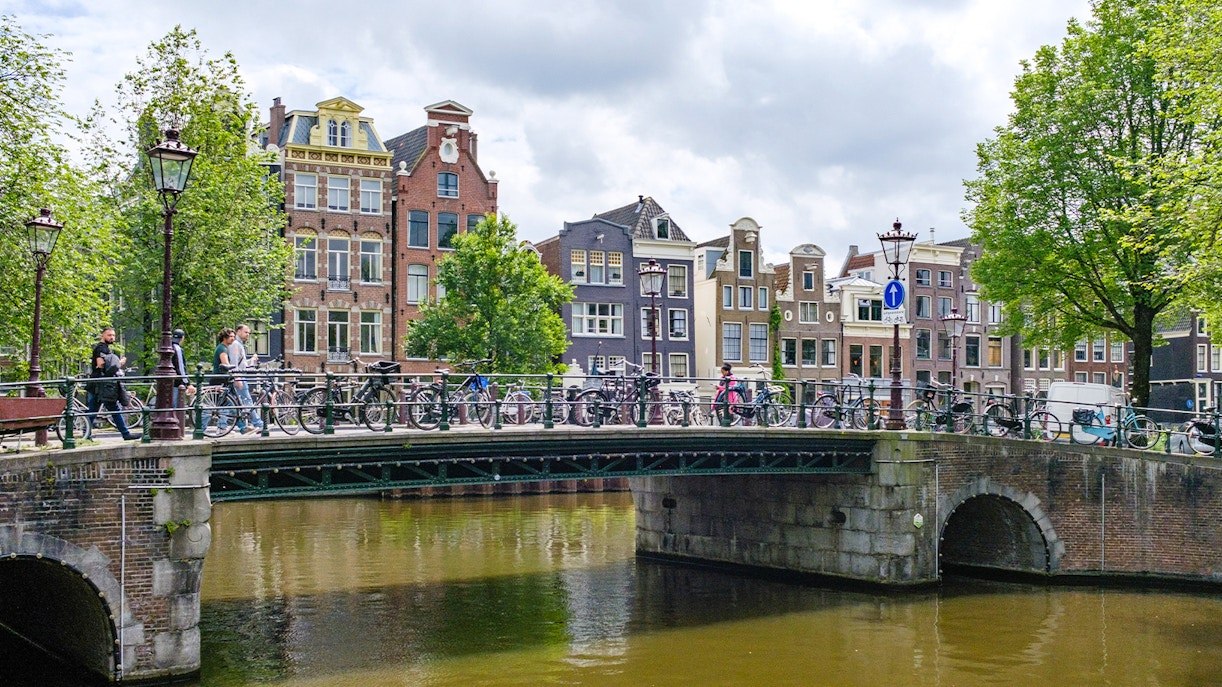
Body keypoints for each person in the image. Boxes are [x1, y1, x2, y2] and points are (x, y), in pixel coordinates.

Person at [88, 326, 138, 440]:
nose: (112, 337)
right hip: (102, 384)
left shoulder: (103, 348)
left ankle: (86, 434)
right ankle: (125, 434)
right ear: (103, 335)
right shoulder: (101, 348)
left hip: (99, 383)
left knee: (94, 409)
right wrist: (118, 364)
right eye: (109, 335)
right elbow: (100, 365)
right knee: (113, 408)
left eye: (113, 335)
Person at [228, 324, 263, 433]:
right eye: (246, 332)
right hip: (238, 376)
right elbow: (233, 363)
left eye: (248, 333)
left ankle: (242, 427)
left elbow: (241, 363)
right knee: (247, 399)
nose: (248, 334)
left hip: (237, 375)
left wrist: (251, 360)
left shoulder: (239, 344)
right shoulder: (235, 345)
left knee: (233, 403)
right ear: (238, 331)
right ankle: (259, 424)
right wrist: (237, 377)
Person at [212, 328, 245, 433]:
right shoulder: (222, 349)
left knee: (230, 403)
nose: (233, 339)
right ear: (224, 337)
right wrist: (236, 376)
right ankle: (221, 427)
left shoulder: (222, 348)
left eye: (233, 337)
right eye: (230, 337)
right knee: (226, 403)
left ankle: (242, 427)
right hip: (221, 379)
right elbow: (226, 364)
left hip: (222, 378)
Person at [171, 329, 196, 412]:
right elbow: (181, 367)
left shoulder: (168, 347)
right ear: (182, 338)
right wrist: (187, 383)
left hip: (167, 381)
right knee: (174, 404)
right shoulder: (178, 349)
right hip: (176, 382)